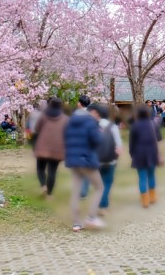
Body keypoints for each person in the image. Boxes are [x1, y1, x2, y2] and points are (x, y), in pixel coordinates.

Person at [64, 95, 104, 232]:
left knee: (76, 191)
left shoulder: (69, 121)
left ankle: (76, 223)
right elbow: (97, 141)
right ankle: (91, 217)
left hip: (73, 159)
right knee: (99, 187)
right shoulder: (90, 121)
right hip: (87, 159)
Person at [34, 97, 68, 198]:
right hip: (57, 148)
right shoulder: (65, 119)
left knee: (40, 169)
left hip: (43, 147)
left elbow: (37, 129)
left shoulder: (44, 116)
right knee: (52, 171)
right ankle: (49, 195)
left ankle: (44, 186)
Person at [92, 104, 122, 215]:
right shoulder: (113, 127)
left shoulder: (93, 126)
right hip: (110, 160)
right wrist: (116, 158)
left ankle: (101, 204)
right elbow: (118, 146)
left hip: (96, 159)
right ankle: (103, 206)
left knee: (98, 184)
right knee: (107, 182)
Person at [129, 105, 161, 208]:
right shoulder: (153, 124)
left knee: (142, 177)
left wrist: (132, 154)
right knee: (151, 175)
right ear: (148, 113)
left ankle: (145, 201)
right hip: (152, 152)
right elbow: (159, 138)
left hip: (139, 154)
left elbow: (131, 143)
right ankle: (153, 197)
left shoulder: (135, 125)